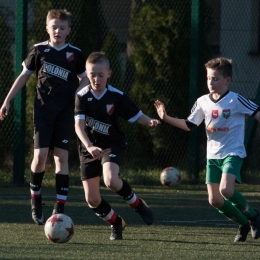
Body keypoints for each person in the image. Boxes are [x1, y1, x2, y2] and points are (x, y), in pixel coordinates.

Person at [154, 57, 260, 242]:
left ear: (228, 80)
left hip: (233, 152)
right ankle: (243, 223)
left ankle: (254, 216)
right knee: (215, 200)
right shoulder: (202, 102)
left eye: (216, 79)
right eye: (209, 78)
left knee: (226, 190)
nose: (211, 82)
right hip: (213, 156)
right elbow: (189, 124)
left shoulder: (236, 100)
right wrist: (166, 117)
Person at [0, 9, 89, 225]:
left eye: (62, 27)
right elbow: (24, 76)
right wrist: (7, 100)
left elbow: (85, 79)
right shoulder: (38, 50)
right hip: (42, 111)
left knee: (61, 157)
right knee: (40, 157)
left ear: (68, 30)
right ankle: (36, 199)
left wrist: (78, 96)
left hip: (65, 112)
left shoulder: (75, 54)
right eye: (54, 27)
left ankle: (59, 208)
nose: (57, 30)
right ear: (47, 28)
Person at [74, 52, 160, 240]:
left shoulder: (117, 96)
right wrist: (89, 147)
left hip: (112, 144)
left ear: (109, 74)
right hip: (88, 147)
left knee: (111, 180)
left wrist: (150, 122)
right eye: (92, 75)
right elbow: (78, 127)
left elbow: (137, 115)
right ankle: (116, 222)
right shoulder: (81, 96)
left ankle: (138, 205)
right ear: (86, 74)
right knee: (92, 199)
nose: (96, 79)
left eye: (100, 75)